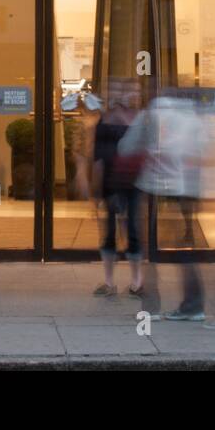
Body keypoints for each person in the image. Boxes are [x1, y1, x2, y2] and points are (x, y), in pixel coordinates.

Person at [120, 91, 208, 320]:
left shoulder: (151, 113)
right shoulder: (193, 115)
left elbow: (126, 147)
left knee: (150, 251)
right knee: (185, 250)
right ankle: (194, 305)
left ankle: (151, 309)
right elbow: (203, 150)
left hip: (153, 190)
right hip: (184, 192)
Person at [92, 81, 143, 298]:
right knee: (111, 231)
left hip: (131, 181)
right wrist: (95, 187)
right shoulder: (104, 120)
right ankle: (111, 281)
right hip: (111, 181)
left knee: (131, 229)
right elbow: (97, 157)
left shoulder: (137, 119)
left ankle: (136, 282)